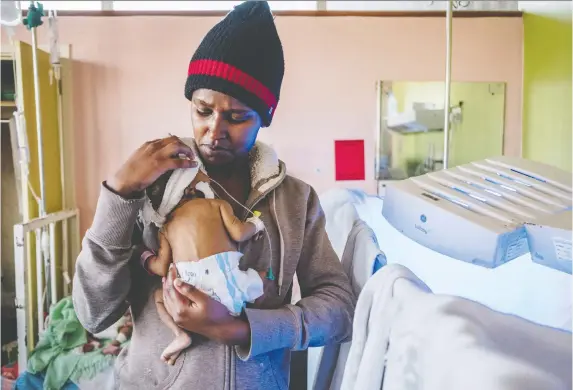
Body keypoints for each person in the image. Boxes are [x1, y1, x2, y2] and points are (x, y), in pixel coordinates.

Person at [72, 2, 356, 389]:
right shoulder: (152, 186)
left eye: (237, 117)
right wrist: (119, 194)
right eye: (202, 109)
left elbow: (340, 309)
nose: (214, 130)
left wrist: (242, 330)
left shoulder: (294, 201)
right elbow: (93, 314)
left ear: (265, 116)